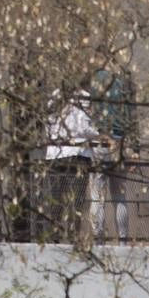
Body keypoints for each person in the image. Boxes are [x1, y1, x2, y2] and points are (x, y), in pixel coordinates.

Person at [45, 90, 130, 245]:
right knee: (79, 200)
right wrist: (99, 134)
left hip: (54, 154)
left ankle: (54, 238)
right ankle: (75, 238)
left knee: (56, 199)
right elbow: (83, 127)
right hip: (77, 154)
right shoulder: (82, 94)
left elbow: (48, 124)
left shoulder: (55, 95)